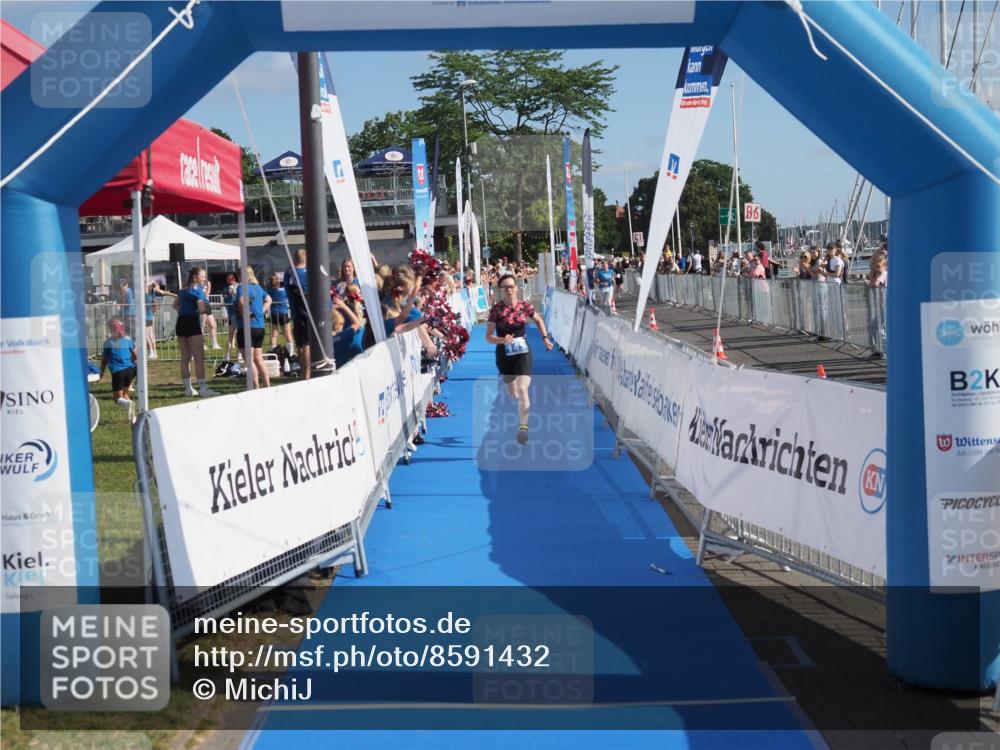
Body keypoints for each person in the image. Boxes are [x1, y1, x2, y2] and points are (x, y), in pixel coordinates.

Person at [485, 273, 554, 445]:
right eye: (505, 287)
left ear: (517, 287)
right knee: (513, 394)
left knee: (523, 390)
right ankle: (517, 407)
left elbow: (538, 320)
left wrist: (545, 338)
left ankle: (523, 429)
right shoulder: (496, 310)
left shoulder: (525, 306)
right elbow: (487, 337)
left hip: (523, 351)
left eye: (511, 286)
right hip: (504, 354)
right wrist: (503, 340)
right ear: (501, 291)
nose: (509, 290)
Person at [173, 267, 219, 397]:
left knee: (185, 357)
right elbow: (202, 309)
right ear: (195, 277)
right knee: (199, 357)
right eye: (203, 276)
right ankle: (203, 388)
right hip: (192, 323)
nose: (204, 279)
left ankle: (188, 388)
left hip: (181, 322)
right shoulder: (198, 291)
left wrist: (184, 311)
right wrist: (203, 309)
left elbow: (175, 305)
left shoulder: (183, 290)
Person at [236, 266, 272, 389]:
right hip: (259, 326)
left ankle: (254, 385)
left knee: (249, 359)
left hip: (247, 327)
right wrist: (261, 311)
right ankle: (267, 384)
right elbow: (269, 299)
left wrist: (244, 314)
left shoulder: (242, 287)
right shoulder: (258, 287)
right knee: (258, 357)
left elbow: (241, 302)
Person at [100, 318, 137, 418]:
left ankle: (127, 404)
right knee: (125, 394)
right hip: (130, 370)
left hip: (118, 372)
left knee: (117, 399)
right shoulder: (128, 340)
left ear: (110, 329)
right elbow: (135, 355)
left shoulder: (108, 342)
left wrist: (101, 373)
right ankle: (133, 417)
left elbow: (104, 360)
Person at [284, 249, 311, 379]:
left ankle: (302, 372)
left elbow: (287, 286)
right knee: (306, 344)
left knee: (300, 345)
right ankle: (307, 372)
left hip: (295, 314)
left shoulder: (289, 273)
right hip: (307, 314)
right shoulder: (308, 273)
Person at [144, 281, 174, 360]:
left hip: (146, 316)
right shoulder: (152, 292)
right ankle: (154, 353)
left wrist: (152, 282)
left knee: (147, 335)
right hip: (150, 315)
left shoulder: (147, 293)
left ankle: (151, 352)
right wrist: (174, 295)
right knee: (151, 335)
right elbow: (163, 292)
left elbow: (159, 290)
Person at [266, 273, 292, 352]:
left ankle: (274, 352)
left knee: (274, 335)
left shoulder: (269, 291)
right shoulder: (284, 291)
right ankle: (290, 353)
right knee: (288, 334)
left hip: (274, 314)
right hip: (283, 313)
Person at [222, 273, 241, 361]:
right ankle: (227, 356)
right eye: (227, 279)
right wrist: (229, 295)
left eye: (229, 279)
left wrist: (234, 294)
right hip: (231, 315)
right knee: (230, 336)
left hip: (239, 314)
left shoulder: (240, 286)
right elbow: (225, 301)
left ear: (234, 279)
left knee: (240, 336)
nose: (228, 281)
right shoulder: (226, 288)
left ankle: (240, 355)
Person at [200, 275, 221, 350]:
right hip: (201, 304)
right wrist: (209, 287)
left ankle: (214, 343)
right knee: (202, 325)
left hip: (207, 304)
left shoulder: (204, 284)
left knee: (212, 324)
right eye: (202, 277)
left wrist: (207, 286)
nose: (204, 278)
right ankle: (201, 344)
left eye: (205, 277)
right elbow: (205, 296)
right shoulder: (198, 286)